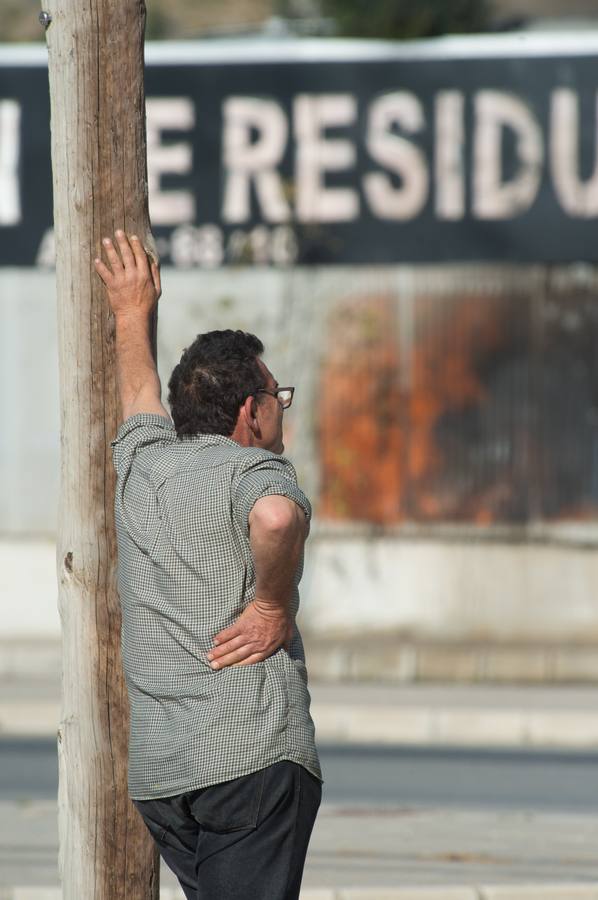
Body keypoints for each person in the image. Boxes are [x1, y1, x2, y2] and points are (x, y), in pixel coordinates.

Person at [94, 231, 322, 900]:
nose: (281, 408)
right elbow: (277, 518)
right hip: (249, 760)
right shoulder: (256, 468)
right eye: (276, 396)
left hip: (165, 780)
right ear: (250, 414)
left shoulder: (142, 463)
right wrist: (272, 605)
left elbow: (138, 388)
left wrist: (130, 311)